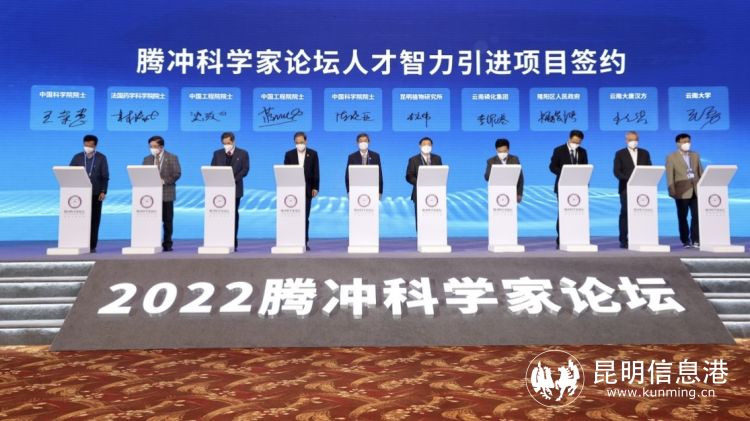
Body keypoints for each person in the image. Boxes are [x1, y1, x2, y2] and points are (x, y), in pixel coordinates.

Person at [69, 134, 109, 253]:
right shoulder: (77, 157)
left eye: (90, 145)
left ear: (95, 146)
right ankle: (78, 241)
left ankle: (92, 244)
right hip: (79, 195)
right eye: (85, 145)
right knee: (80, 219)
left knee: (94, 220)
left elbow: (105, 176)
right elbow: (69, 172)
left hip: (96, 193)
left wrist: (103, 191)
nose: (87, 147)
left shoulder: (101, 158)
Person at [549, 129, 588, 247]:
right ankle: (561, 237)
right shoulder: (559, 150)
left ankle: (577, 236)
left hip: (579, 188)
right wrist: (565, 173)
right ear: (569, 138)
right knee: (563, 212)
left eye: (578, 142)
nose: (576, 144)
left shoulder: (583, 152)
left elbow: (585, 168)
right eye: (574, 141)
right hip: (563, 186)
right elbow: (552, 167)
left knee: (578, 213)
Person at [210, 131, 249, 252]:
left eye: (228, 143)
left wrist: (233, 179)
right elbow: (212, 169)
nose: (226, 145)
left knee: (233, 214)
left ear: (233, 141)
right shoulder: (217, 154)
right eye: (224, 143)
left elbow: (245, 169)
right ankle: (219, 239)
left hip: (235, 189)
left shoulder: (243, 153)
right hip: (220, 191)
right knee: (220, 215)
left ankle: (233, 241)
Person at [613, 131, 652, 248]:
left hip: (642, 189)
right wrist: (630, 179)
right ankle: (623, 240)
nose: (633, 142)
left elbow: (649, 169)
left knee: (642, 213)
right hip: (626, 188)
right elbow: (617, 171)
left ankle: (641, 237)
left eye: (635, 140)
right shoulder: (620, 153)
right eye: (631, 140)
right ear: (626, 140)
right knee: (625, 213)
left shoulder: (645, 153)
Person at [142, 135, 181, 252]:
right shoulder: (147, 159)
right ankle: (151, 241)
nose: (152, 149)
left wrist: (163, 181)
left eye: (154, 146)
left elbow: (177, 174)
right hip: (150, 196)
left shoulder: (172, 157)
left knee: (167, 220)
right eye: (150, 146)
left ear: (161, 147)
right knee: (151, 219)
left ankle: (167, 243)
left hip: (166, 193)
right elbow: (142, 174)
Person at [283, 131, 320, 251]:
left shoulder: (313, 154)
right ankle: (292, 239)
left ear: (306, 141)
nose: (299, 144)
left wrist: (315, 187)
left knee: (304, 217)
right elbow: (285, 172)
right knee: (293, 217)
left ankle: (304, 241)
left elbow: (316, 172)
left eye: (301, 142)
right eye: (297, 143)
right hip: (292, 191)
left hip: (307, 190)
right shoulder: (289, 154)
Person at [666, 133, 703, 248]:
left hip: (696, 190)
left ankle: (696, 239)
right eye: (684, 142)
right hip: (681, 192)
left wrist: (704, 188)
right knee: (682, 217)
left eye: (688, 141)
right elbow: (670, 176)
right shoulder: (671, 157)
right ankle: (685, 240)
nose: (687, 144)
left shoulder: (695, 155)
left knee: (697, 216)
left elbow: (701, 172)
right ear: (678, 143)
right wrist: (672, 191)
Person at [406, 137, 443, 230]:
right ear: (420, 146)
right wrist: (420, 182)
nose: (426, 146)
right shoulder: (413, 159)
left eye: (429, 144)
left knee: (434, 218)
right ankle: (421, 235)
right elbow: (409, 176)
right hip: (419, 193)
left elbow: (441, 174)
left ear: (432, 146)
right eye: (424, 144)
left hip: (435, 193)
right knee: (420, 218)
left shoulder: (437, 158)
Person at [483, 138, 524, 203]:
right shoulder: (490, 161)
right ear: (496, 150)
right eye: (499, 152)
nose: (502, 153)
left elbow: (520, 178)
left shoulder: (515, 159)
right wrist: (493, 171)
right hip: (496, 193)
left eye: (504, 151)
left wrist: (519, 194)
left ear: (508, 150)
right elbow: (486, 178)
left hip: (512, 192)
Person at [345, 133, 383, 197]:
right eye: (361, 141)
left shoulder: (375, 156)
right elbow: (347, 175)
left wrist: (380, 191)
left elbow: (379, 174)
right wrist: (349, 191)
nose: (363, 143)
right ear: (357, 143)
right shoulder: (352, 157)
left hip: (372, 188)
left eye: (365, 141)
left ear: (369, 142)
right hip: (356, 189)